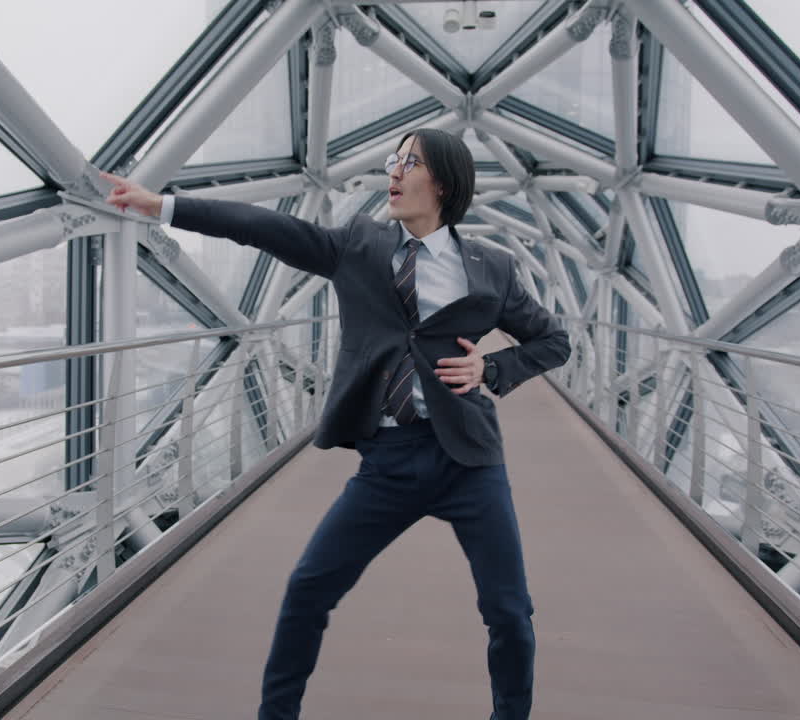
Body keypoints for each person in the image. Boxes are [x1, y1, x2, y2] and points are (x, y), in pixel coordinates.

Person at [103, 128, 571, 720]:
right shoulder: (360, 244)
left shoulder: (492, 268)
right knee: (308, 590)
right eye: (392, 161)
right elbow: (266, 229)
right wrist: (162, 206)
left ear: (444, 183)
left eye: (410, 163)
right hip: (389, 460)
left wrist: (491, 366)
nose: (394, 173)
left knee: (509, 610)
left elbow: (554, 341)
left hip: (469, 461)